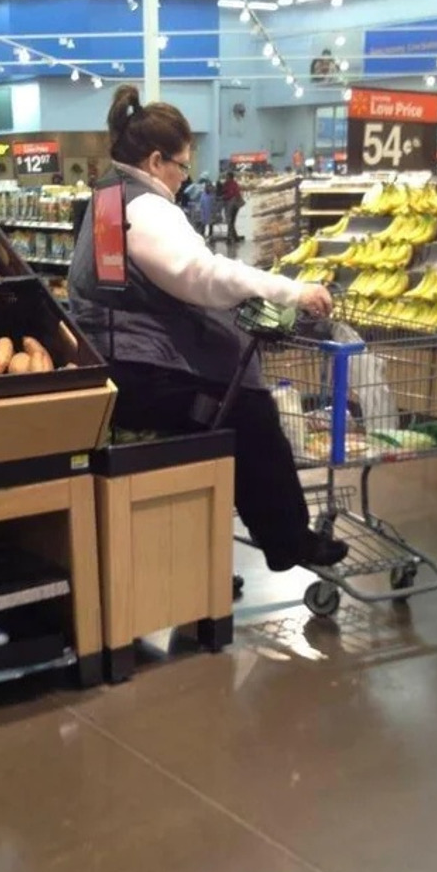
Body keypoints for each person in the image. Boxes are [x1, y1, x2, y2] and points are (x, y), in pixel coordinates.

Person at [68, 84, 348, 571]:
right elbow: (202, 275)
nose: (183, 176)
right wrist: (289, 290)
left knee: (237, 409)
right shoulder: (146, 207)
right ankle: (288, 542)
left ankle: (207, 555)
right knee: (247, 411)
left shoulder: (110, 195)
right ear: (156, 160)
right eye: (182, 165)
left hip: (116, 362)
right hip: (143, 375)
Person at [222, 171, 244, 243]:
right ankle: (235, 236)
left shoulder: (232, 184)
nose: (226, 178)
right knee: (231, 221)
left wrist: (224, 196)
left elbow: (231, 194)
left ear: (230, 177)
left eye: (227, 177)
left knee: (230, 221)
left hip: (232, 205)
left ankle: (230, 237)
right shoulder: (229, 184)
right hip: (234, 205)